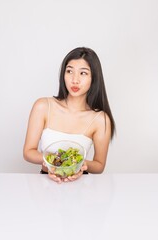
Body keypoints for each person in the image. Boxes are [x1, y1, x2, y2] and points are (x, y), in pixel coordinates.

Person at [23, 47, 115, 183]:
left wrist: (81, 166)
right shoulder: (43, 106)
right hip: (45, 184)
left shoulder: (100, 119)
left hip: (80, 186)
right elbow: (28, 152)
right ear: (63, 74)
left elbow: (99, 165)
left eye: (83, 73)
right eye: (69, 71)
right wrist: (53, 164)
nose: (75, 80)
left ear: (94, 78)